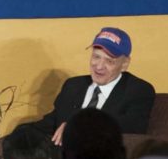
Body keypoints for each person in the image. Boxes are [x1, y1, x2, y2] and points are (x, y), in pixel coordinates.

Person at [18, 27, 155, 147]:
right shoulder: (73, 86)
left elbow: (133, 128)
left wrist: (77, 126)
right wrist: (15, 137)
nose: (99, 66)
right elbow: (50, 124)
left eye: (109, 61)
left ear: (124, 64)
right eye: (96, 57)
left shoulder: (138, 90)